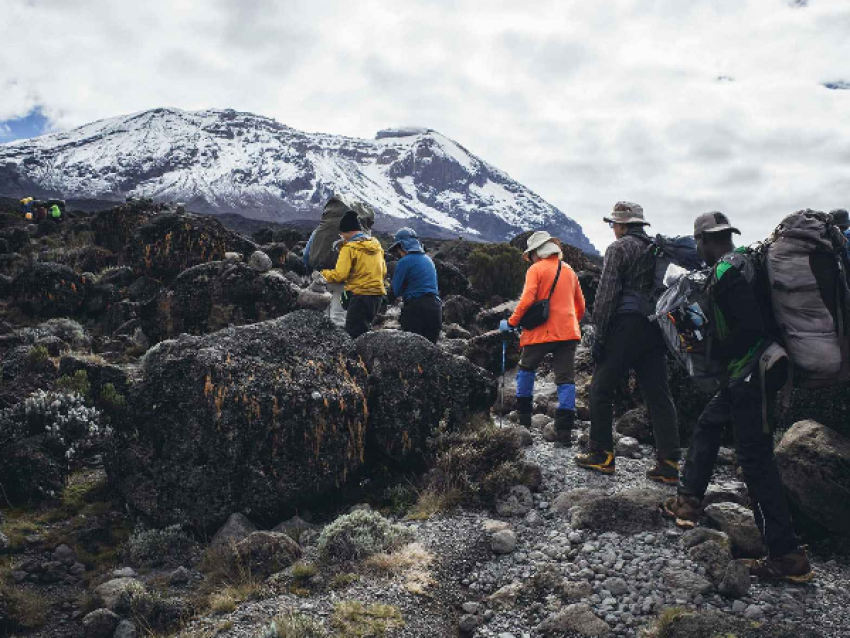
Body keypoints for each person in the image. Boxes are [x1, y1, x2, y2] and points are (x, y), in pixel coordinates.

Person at [664, 212, 812, 583]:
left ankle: (786, 554)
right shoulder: (745, 261)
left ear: (702, 241)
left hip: (753, 372)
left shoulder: (726, 273)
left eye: (698, 243)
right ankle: (688, 502)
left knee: (755, 458)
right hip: (753, 370)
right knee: (709, 425)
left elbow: (750, 329)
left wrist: (713, 349)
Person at [575, 202, 680, 482]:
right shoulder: (656, 249)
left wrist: (599, 333)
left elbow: (607, 294)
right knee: (658, 394)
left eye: (613, 225)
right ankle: (669, 463)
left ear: (621, 225)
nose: (613, 230)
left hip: (626, 325)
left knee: (600, 388)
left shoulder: (619, 248)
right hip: (654, 326)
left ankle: (602, 455)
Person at [499, 231, 585, 443]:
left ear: (536, 252)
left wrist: (512, 322)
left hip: (540, 332)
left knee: (526, 369)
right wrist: (569, 323)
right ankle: (564, 433)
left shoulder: (535, 269)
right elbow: (580, 306)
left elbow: (527, 299)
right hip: (568, 333)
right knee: (566, 379)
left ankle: (524, 420)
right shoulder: (570, 271)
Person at [304, 195, 375, 327]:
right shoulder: (362, 235)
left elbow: (306, 255)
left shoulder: (320, 230)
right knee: (339, 316)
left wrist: (312, 272)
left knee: (321, 314)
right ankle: (337, 344)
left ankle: (319, 342)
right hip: (345, 281)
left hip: (321, 275)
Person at [319, 210, 387, 339]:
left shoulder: (349, 248)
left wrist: (323, 274)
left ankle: (353, 359)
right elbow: (383, 271)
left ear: (346, 231)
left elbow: (340, 275)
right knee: (365, 333)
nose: (341, 236)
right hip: (377, 296)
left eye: (342, 233)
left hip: (360, 295)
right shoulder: (376, 246)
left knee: (353, 335)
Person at [389, 228, 442, 344]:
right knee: (430, 352)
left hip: (416, 311)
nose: (398, 253)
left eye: (397, 249)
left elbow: (396, 290)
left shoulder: (404, 262)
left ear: (402, 246)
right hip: (436, 309)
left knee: (412, 351)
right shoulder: (428, 260)